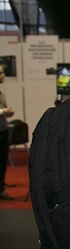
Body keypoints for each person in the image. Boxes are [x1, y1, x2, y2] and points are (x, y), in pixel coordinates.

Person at [0, 64, 14, 200]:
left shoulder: (1, 91)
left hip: (3, 129)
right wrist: (3, 111)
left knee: (3, 160)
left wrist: (7, 112)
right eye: (0, 73)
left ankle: (1, 187)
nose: (3, 75)